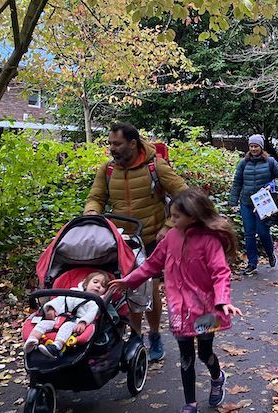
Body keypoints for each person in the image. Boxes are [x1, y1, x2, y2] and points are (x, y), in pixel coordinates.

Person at [109, 188, 243, 411]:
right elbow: (152, 264)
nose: (172, 221)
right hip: (178, 308)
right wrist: (129, 280)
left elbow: (221, 272)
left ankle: (217, 377)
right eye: (171, 216)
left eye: (176, 217)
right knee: (186, 356)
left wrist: (223, 300)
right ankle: (190, 403)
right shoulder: (171, 237)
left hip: (206, 310)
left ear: (193, 216)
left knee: (205, 353)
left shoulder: (209, 241)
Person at [84, 122, 187, 362]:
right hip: (121, 241)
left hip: (151, 238)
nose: (112, 148)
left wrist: (169, 226)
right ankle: (136, 336)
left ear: (132, 143)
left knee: (149, 288)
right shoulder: (107, 170)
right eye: (110, 143)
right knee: (124, 287)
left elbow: (183, 195)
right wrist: (91, 214)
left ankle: (154, 335)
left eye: (117, 144)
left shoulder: (155, 166)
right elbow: (96, 197)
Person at [229, 134, 278, 275]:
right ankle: (252, 263)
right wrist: (233, 201)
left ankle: (270, 254)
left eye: (256, 146)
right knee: (249, 234)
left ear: (261, 147)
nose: (253, 149)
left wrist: (271, 186)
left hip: (263, 203)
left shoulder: (270, 162)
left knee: (263, 232)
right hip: (246, 202)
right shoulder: (243, 163)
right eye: (251, 146)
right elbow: (237, 183)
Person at [24, 271, 109, 359]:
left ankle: (56, 347)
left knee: (67, 326)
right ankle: (32, 340)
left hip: (75, 323)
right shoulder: (73, 292)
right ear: (85, 284)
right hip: (59, 318)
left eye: (103, 286)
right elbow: (60, 300)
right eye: (95, 282)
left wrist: (83, 322)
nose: (98, 286)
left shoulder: (96, 302)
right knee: (43, 323)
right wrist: (51, 308)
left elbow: (91, 314)